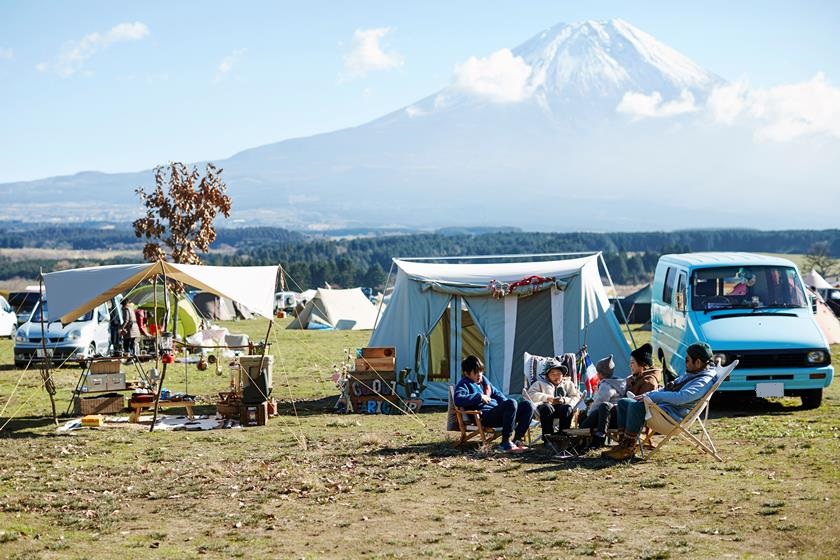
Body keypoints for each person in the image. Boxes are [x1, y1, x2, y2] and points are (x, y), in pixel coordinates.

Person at [603, 342, 718, 460]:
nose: (685, 363)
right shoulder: (694, 373)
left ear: (698, 362)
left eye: (687, 360)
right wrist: (647, 395)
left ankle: (628, 449)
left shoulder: (703, 381)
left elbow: (682, 398)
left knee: (636, 407)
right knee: (624, 403)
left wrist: (653, 397)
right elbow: (668, 388)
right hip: (665, 410)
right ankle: (623, 444)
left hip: (672, 418)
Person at [454, 355, 536, 453]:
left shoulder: (485, 384)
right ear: (466, 373)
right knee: (511, 403)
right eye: (475, 372)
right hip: (485, 417)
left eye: (480, 371)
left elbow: (500, 396)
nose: (479, 375)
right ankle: (505, 442)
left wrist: (511, 408)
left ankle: (517, 439)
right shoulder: (464, 384)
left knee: (528, 405)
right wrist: (479, 397)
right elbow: (458, 399)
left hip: (498, 414)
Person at [578, 355, 626, 448]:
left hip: (609, 419)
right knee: (586, 413)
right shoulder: (618, 383)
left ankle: (583, 438)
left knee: (587, 415)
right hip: (618, 417)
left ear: (599, 373)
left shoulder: (606, 385)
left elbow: (599, 402)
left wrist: (589, 414)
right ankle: (584, 439)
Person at [526, 359, 581, 437]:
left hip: (562, 409)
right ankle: (548, 437)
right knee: (546, 407)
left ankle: (563, 435)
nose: (556, 376)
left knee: (567, 408)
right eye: (552, 373)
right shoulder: (539, 384)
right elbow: (530, 395)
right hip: (545, 410)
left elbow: (576, 397)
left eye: (559, 373)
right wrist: (547, 398)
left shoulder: (568, 384)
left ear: (563, 374)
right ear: (547, 375)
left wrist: (564, 400)